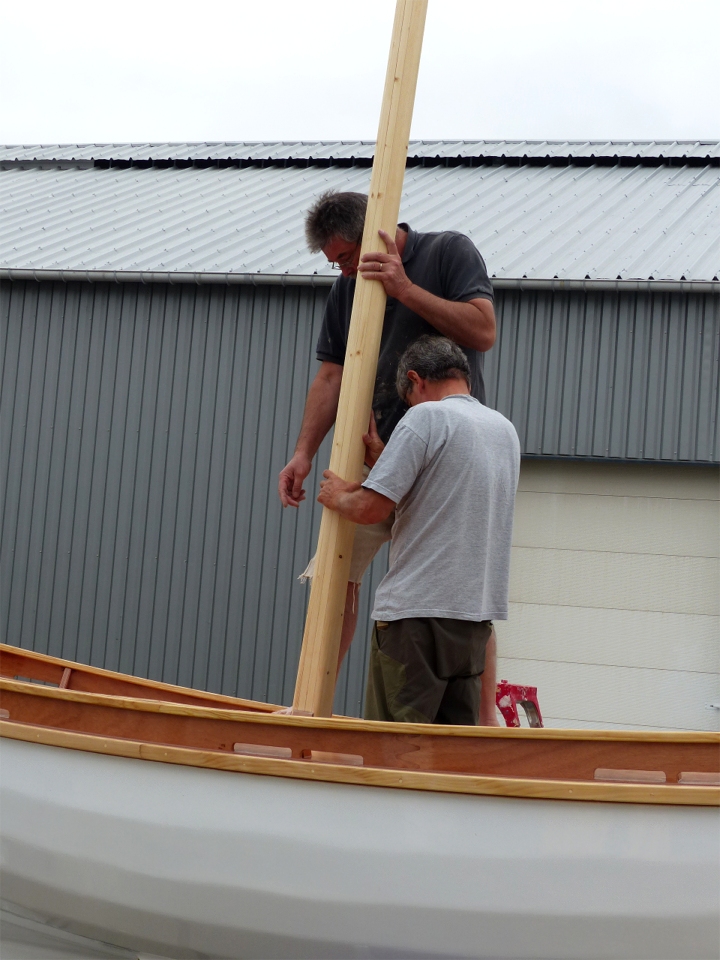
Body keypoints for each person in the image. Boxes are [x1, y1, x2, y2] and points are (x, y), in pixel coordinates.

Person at [278, 190, 500, 722]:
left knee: (467, 592)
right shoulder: (345, 290)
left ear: (372, 232)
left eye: (348, 258)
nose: (344, 271)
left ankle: (487, 726)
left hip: (446, 456)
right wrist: (304, 452)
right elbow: (331, 374)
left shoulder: (448, 253)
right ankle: (312, 705)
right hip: (376, 453)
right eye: (335, 264)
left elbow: (483, 331)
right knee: (338, 570)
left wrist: (404, 288)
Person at [317, 336, 520, 725]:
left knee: (395, 753)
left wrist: (336, 494)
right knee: (450, 759)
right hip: (473, 625)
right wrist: (389, 461)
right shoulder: (503, 430)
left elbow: (369, 507)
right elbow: (442, 495)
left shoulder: (425, 418)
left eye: (408, 398)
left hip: (415, 622)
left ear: (416, 380)